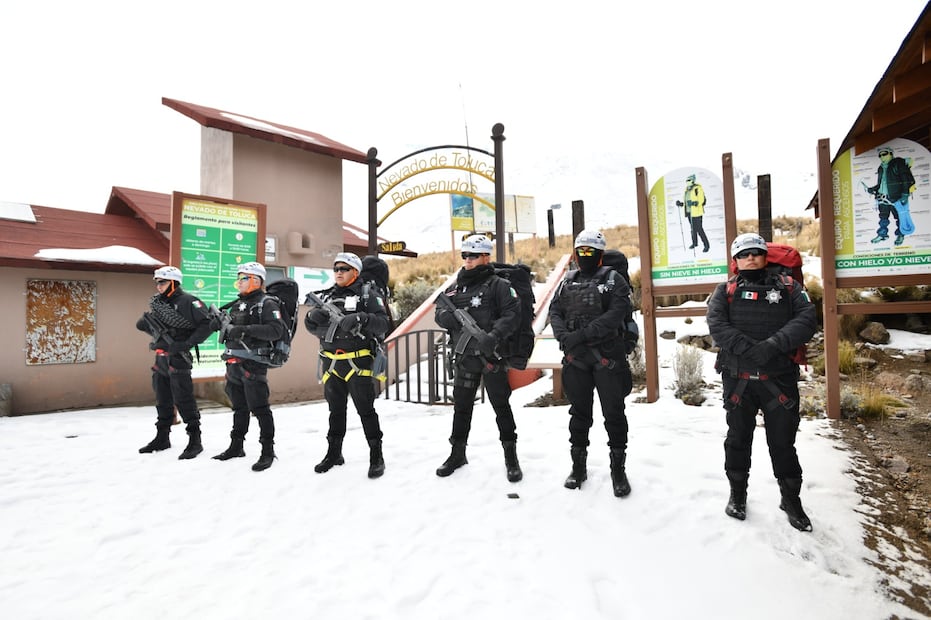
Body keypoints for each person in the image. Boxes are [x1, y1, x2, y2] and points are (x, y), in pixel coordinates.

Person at [706, 232, 818, 531]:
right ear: (736, 260)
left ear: (765, 255)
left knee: (783, 442)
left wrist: (771, 345)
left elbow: (807, 319)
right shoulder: (725, 290)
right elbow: (717, 326)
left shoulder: (789, 288)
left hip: (778, 380)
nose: (751, 258)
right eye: (744, 254)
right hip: (738, 380)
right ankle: (737, 495)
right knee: (738, 439)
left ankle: (791, 500)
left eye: (756, 252)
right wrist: (750, 348)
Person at [549, 229, 634, 497]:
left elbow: (616, 314)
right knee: (579, 414)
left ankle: (618, 471)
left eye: (590, 252)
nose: (585, 256)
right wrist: (563, 336)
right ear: (575, 253)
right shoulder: (567, 281)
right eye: (581, 251)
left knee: (614, 414)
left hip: (606, 356)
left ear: (599, 255)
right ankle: (578, 468)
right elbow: (555, 310)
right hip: (576, 359)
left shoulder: (614, 280)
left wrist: (581, 336)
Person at [434, 234, 523, 482]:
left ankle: (511, 457)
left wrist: (492, 337)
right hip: (465, 359)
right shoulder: (456, 286)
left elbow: (512, 315)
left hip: (490, 358)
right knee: (461, 408)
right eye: (464, 255)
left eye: (473, 256)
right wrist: (446, 318)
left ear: (486, 257)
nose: (468, 260)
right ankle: (457, 453)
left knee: (501, 407)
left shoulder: (499, 286)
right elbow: (439, 311)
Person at [304, 252, 390, 479]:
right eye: (336, 269)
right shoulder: (327, 296)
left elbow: (383, 323)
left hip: (358, 362)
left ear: (355, 271)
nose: (339, 273)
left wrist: (362, 318)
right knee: (335, 411)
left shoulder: (368, 295)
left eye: (344, 269)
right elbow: (311, 327)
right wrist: (314, 317)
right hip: (332, 363)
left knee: (366, 411)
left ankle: (376, 456)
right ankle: (334, 453)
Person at [212, 262, 287, 472]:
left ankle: (267, 451)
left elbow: (276, 330)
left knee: (260, 409)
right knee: (239, 407)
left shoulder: (266, 303)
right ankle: (236, 446)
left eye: (244, 278)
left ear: (256, 280)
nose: (240, 282)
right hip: (233, 363)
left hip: (253, 364)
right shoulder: (236, 304)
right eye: (239, 278)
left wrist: (244, 330)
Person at [135, 266, 214, 459]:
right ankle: (162, 437)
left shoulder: (188, 301)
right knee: (163, 400)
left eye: (162, 282)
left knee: (184, 400)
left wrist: (186, 343)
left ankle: (195, 441)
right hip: (161, 357)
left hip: (178, 359)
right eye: (157, 283)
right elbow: (145, 324)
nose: (158, 286)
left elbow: (208, 324)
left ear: (173, 282)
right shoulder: (159, 304)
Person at [866, 146, 916, 246]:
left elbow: (906, 179)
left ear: (891, 154)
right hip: (882, 197)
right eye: (880, 155)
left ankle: (901, 234)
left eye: (884, 154)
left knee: (899, 217)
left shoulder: (898, 163)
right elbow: (882, 183)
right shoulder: (881, 167)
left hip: (895, 197)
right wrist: (874, 189)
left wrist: (905, 194)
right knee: (883, 217)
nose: (882, 157)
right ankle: (882, 234)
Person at [675, 174, 710, 253]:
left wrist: (694, 203)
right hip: (689, 213)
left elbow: (701, 199)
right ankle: (695, 243)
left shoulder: (698, 188)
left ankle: (706, 245)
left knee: (699, 229)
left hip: (697, 213)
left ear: (693, 180)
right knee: (693, 229)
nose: (687, 182)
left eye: (689, 180)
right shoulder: (686, 190)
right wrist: (681, 204)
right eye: (686, 180)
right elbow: (686, 202)